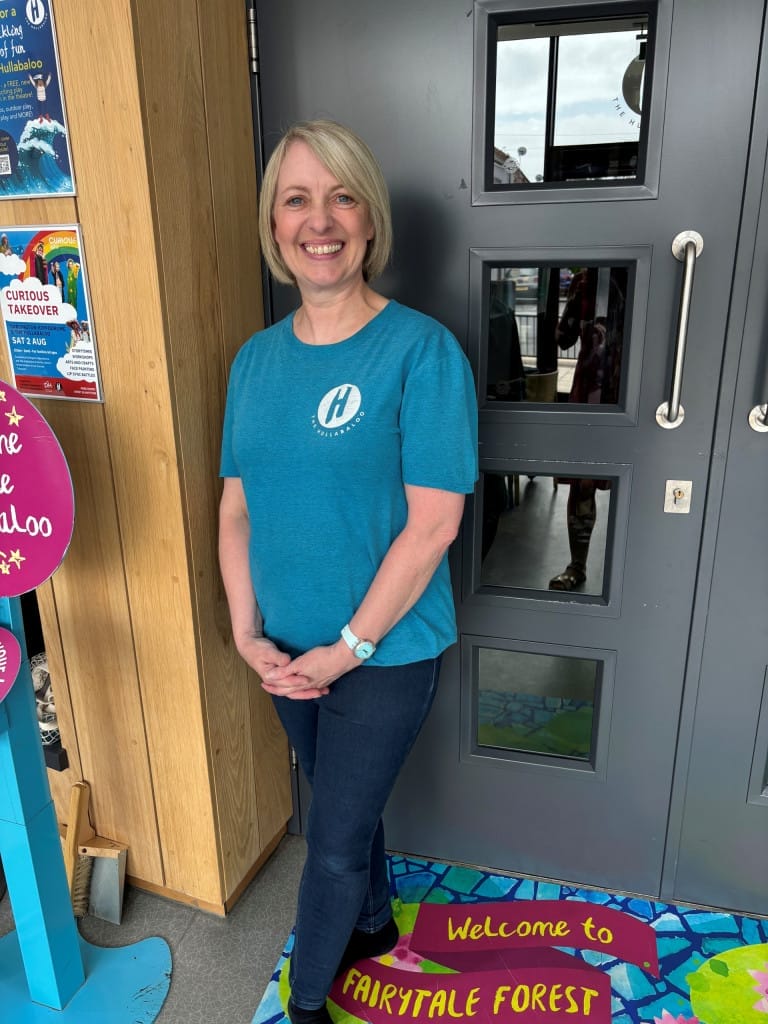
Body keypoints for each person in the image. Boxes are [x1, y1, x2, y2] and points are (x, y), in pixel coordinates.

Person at [218, 120, 477, 1024]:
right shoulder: (255, 362)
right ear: (273, 223)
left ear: (368, 222)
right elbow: (238, 508)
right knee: (340, 802)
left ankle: (306, 1006)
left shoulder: (421, 352)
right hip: (284, 650)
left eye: (341, 196)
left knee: (327, 844)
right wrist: (248, 631)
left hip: (386, 652)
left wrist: (345, 649)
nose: (318, 220)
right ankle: (372, 925)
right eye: (296, 198)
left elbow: (435, 524)